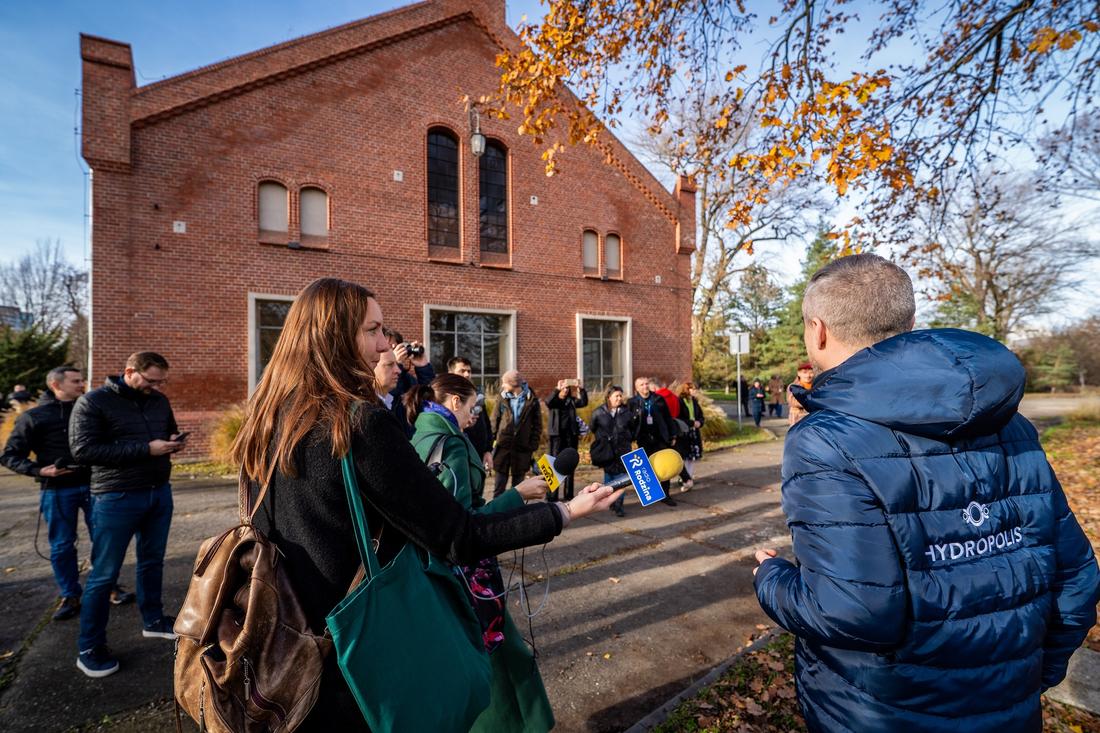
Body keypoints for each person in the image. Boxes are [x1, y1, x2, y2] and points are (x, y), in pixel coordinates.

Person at [230, 278, 622, 731]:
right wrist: (564, 511)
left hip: (285, 656)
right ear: (333, 336)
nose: (385, 346)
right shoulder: (359, 425)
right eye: (372, 330)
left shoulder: (268, 420)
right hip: (358, 660)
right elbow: (458, 536)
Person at [752, 254, 1100, 733]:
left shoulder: (824, 439)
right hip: (1010, 708)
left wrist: (770, 579)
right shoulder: (1011, 423)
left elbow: (854, 612)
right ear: (910, 324)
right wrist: (1026, 680)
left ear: (818, 331)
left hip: (882, 713)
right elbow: (1077, 580)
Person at [407, 374, 555, 733]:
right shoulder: (450, 445)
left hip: (435, 572)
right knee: (500, 663)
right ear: (454, 402)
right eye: (472, 407)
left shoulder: (420, 434)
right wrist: (518, 495)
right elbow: (463, 528)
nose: (474, 417)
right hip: (467, 576)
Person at [69, 352, 184, 678]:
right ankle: (89, 647)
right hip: (115, 496)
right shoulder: (93, 402)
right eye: (151, 380)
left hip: (158, 492)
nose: (156, 387)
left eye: (161, 381)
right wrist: (147, 449)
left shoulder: (159, 400)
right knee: (104, 574)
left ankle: (154, 620)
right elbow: (83, 451)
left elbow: (169, 430)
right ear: (130, 371)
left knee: (152, 561)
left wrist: (173, 443)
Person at [0, 367, 135, 621]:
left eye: (82, 380)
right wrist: (40, 470)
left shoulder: (91, 410)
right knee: (62, 545)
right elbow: (9, 455)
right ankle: (70, 594)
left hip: (96, 486)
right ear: (56, 384)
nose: (82, 384)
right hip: (57, 490)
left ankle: (107, 587)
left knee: (105, 541)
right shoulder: (34, 417)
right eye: (76, 381)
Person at [490, 371, 542, 499]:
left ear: (513, 384)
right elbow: (494, 420)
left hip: (522, 449)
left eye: (505, 383)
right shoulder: (502, 398)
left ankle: (515, 510)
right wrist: (491, 442)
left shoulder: (532, 400)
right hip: (503, 447)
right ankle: (496, 510)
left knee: (518, 489)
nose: (502, 386)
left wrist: (532, 445)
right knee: (499, 488)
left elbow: (537, 425)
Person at [629, 377, 677, 506]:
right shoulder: (632, 402)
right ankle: (652, 493)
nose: (645, 386)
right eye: (641, 385)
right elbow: (629, 423)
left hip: (660, 437)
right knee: (646, 467)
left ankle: (666, 495)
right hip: (643, 439)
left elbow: (668, 418)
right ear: (636, 388)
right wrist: (631, 439)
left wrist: (673, 435)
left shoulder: (658, 399)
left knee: (664, 465)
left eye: (646, 384)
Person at [590, 385, 636, 517]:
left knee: (622, 478)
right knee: (609, 476)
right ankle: (609, 501)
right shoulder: (599, 412)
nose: (619, 398)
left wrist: (626, 438)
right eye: (616, 396)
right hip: (607, 450)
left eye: (621, 395)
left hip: (623, 449)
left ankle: (619, 505)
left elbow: (633, 429)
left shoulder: (627, 412)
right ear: (609, 397)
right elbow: (593, 428)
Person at [384, 327, 434, 437]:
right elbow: (388, 401)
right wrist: (395, 364)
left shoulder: (407, 379)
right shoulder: (373, 380)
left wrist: (423, 367)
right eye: (389, 347)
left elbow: (429, 399)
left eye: (397, 347)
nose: (394, 351)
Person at [448, 356, 494, 476]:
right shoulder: (446, 396)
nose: (467, 374)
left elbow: (486, 424)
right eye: (462, 371)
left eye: (469, 371)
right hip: (459, 457)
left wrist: (488, 450)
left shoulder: (475, 394)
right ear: (451, 373)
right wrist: (464, 425)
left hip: (479, 456)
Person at [545, 379, 588, 502]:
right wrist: (557, 389)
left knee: (570, 464)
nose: (565, 390)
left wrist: (581, 389)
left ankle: (568, 494)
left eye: (567, 388)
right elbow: (548, 402)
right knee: (553, 464)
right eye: (563, 388)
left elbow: (584, 402)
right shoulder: (554, 401)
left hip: (571, 436)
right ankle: (552, 495)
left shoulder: (571, 401)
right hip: (556, 437)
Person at [676, 382, 705, 492]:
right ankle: (684, 477)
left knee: (692, 456)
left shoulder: (694, 401)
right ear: (687, 390)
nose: (695, 391)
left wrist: (700, 423)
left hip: (694, 432)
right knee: (684, 455)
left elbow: (701, 415)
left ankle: (690, 476)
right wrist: (691, 423)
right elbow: (679, 417)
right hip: (684, 433)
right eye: (693, 389)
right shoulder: (680, 401)